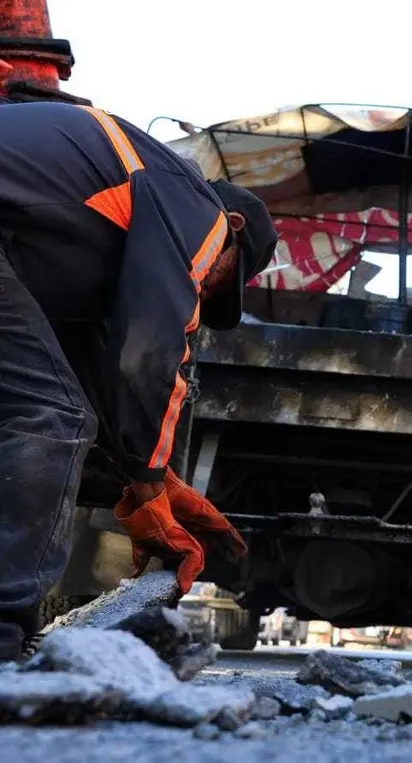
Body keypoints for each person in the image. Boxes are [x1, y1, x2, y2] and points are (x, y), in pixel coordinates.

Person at [0, 101, 280, 661]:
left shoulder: (85, 238)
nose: (201, 291)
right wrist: (149, 482)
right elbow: (146, 353)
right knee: (50, 417)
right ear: (233, 229)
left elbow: (93, 369)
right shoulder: (194, 204)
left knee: (53, 407)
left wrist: (144, 474)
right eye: (218, 278)